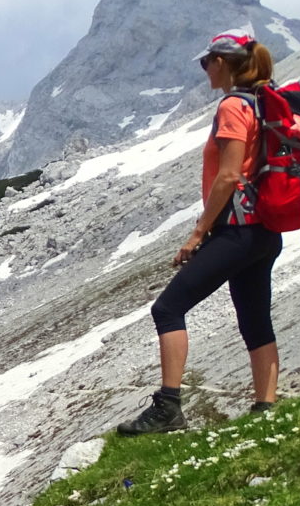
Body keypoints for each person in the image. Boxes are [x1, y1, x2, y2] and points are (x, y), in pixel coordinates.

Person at [116, 32, 282, 435]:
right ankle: (267, 408)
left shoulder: (232, 106)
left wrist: (197, 234)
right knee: (255, 319)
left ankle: (168, 407)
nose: (204, 69)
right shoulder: (264, 101)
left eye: (206, 62)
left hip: (237, 230)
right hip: (264, 231)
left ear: (222, 62)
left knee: (167, 309)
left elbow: (228, 175)